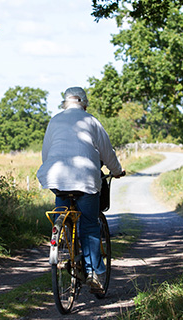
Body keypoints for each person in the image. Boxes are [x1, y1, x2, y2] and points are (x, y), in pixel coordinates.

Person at [37, 86, 125, 291]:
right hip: (85, 180)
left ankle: (65, 237)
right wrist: (117, 170)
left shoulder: (55, 120)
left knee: (63, 212)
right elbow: (107, 152)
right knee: (90, 225)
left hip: (56, 178)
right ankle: (93, 272)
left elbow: (46, 153)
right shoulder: (91, 121)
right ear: (84, 103)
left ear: (65, 103)